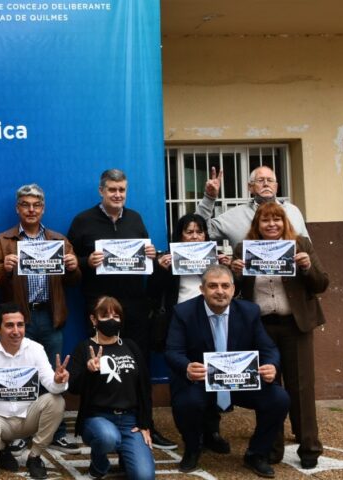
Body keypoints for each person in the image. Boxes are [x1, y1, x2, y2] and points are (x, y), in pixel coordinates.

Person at [67, 169, 174, 449]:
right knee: (99, 364)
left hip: (135, 307)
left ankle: (146, 424)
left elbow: (147, 260)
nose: (118, 195)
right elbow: (68, 262)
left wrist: (152, 255)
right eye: (112, 190)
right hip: (99, 308)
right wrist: (86, 261)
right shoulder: (82, 220)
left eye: (122, 190)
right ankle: (96, 424)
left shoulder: (135, 219)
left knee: (139, 367)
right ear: (101, 191)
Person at [165, 264, 290, 477]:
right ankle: (193, 448)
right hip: (201, 381)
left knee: (279, 399)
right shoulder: (184, 312)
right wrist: (187, 367)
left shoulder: (249, 311)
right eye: (213, 286)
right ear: (202, 289)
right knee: (186, 403)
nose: (220, 291)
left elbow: (268, 348)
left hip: (240, 380)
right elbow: (173, 351)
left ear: (233, 289)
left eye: (225, 286)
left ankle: (257, 453)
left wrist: (272, 365)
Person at [232, 202, 329, 469]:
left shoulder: (301, 244)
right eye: (265, 220)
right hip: (260, 327)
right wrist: (235, 273)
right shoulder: (244, 248)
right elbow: (235, 289)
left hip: (295, 326)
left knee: (302, 388)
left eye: (276, 219)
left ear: (284, 222)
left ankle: (309, 447)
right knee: (268, 387)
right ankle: (270, 448)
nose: (271, 224)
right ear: (257, 224)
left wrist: (307, 267)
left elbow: (322, 283)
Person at [0, 183, 80, 453]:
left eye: (36, 205)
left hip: (50, 316)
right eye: (25, 205)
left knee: (53, 373)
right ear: (17, 208)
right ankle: (17, 432)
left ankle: (57, 432)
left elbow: (74, 280)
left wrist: (73, 267)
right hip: (19, 320)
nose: (31, 209)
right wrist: (3, 269)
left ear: (43, 208)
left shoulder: (58, 240)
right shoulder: (3, 240)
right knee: (17, 376)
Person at [147, 213, 231, 454]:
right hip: (180, 324)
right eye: (189, 232)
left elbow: (231, 289)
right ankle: (191, 436)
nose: (195, 236)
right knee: (182, 380)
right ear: (180, 236)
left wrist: (226, 267)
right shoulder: (168, 257)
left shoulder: (215, 259)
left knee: (214, 375)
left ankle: (212, 431)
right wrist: (160, 270)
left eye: (199, 232)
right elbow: (152, 293)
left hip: (213, 321)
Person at [0, 303, 70, 479]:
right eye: (9, 325)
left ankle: (34, 457)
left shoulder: (36, 349)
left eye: (20, 325)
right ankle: (3, 451)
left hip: (29, 417)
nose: (16, 331)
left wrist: (58, 380)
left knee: (57, 401)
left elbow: (51, 384)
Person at [68, 296, 155, 480]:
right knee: (108, 438)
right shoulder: (84, 348)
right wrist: (89, 371)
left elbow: (145, 388)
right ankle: (99, 465)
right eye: (105, 316)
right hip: (97, 418)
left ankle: (126, 455)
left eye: (116, 316)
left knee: (144, 476)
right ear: (94, 319)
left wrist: (145, 423)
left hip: (130, 421)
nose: (112, 320)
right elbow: (73, 388)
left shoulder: (131, 346)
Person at [196, 165, 309, 245]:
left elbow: (308, 248)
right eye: (260, 180)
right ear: (250, 187)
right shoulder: (235, 215)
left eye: (270, 180)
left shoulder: (292, 211)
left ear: (276, 187)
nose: (266, 184)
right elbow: (200, 229)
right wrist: (209, 198)